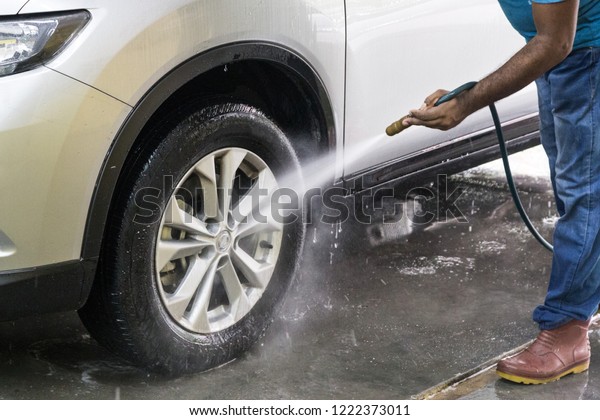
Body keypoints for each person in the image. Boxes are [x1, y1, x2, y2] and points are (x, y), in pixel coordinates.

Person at [403, 0, 600, 385]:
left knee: (584, 195)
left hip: (583, 54)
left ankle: (566, 330)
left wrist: (468, 102)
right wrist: (466, 94)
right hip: (565, 55)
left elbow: (555, 40)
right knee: (573, 184)